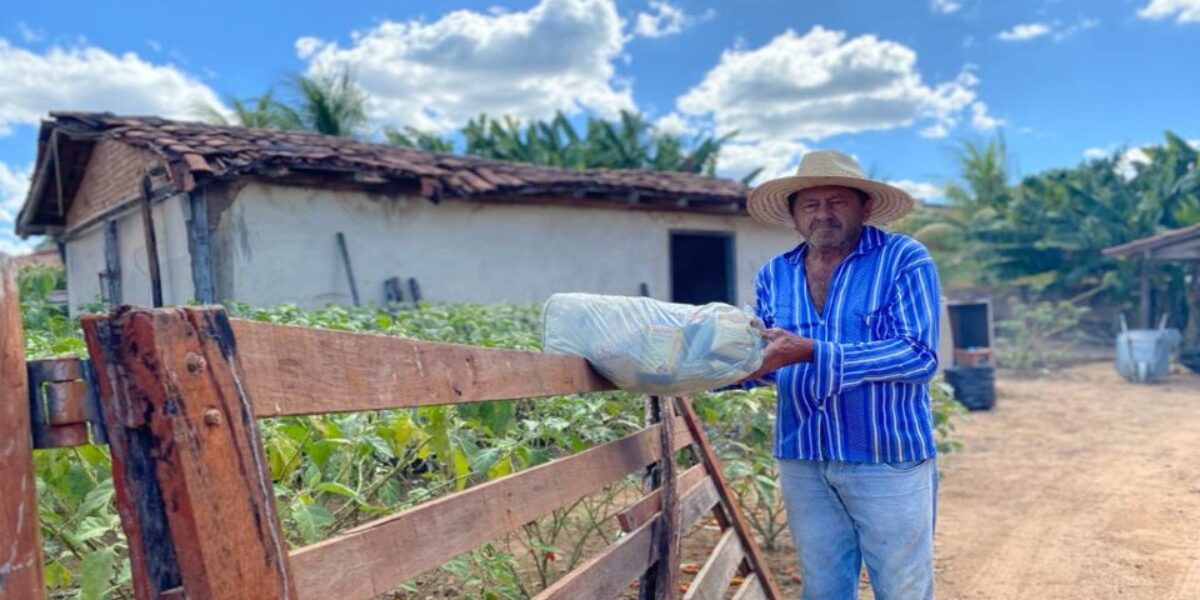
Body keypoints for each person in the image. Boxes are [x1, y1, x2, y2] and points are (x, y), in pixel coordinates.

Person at [743, 150, 941, 599]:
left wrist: (813, 350)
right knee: (824, 585)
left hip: (885, 455)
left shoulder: (903, 259)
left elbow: (918, 354)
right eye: (810, 205)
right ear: (794, 215)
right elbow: (774, 360)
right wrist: (732, 369)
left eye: (837, 202)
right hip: (804, 455)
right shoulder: (774, 274)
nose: (823, 215)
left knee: (902, 586)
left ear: (865, 207)